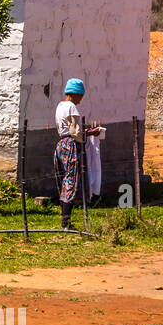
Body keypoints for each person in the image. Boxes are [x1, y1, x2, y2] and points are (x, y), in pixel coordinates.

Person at [53, 78, 102, 230]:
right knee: (71, 181)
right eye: (81, 96)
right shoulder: (72, 107)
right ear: (75, 94)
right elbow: (75, 133)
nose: (81, 99)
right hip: (71, 146)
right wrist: (90, 133)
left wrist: (83, 131)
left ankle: (64, 220)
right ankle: (65, 223)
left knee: (64, 180)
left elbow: (67, 129)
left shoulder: (60, 106)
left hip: (61, 144)